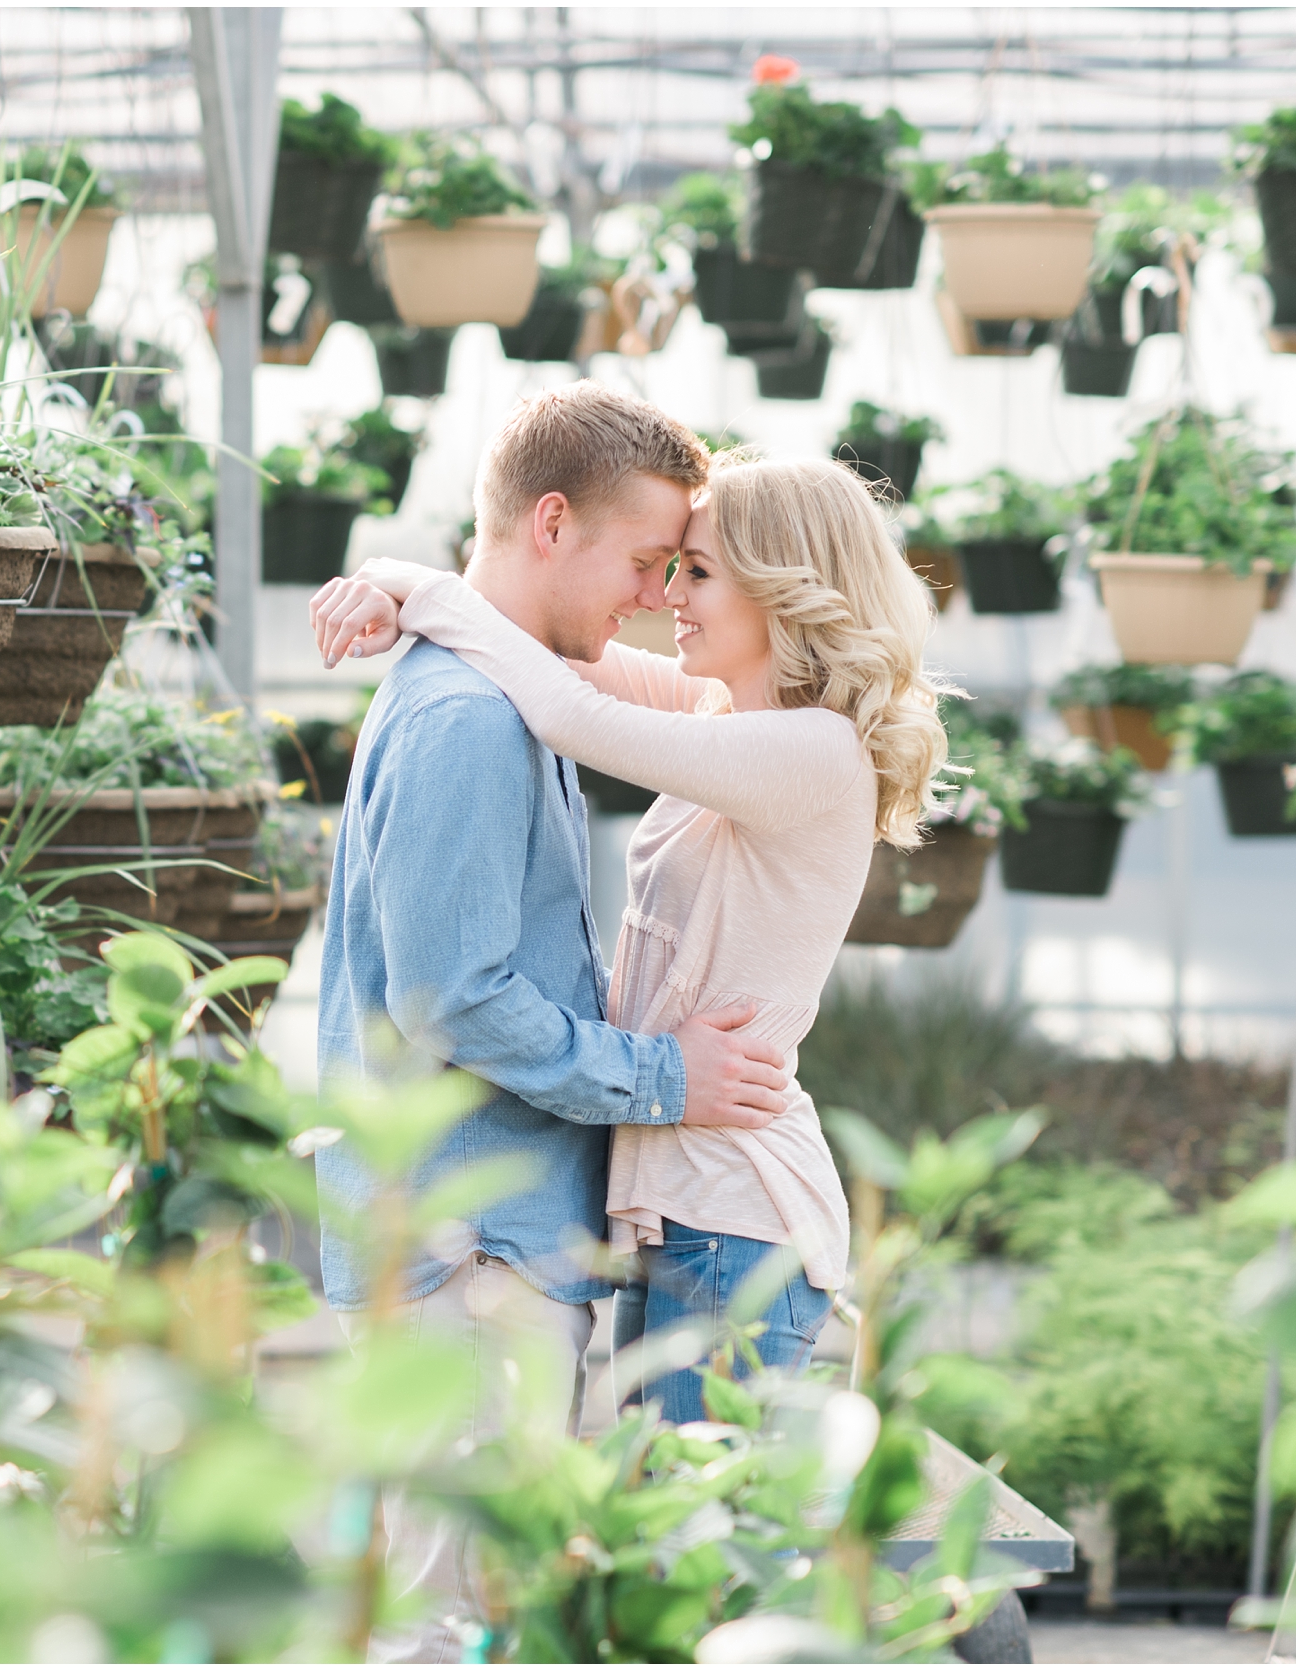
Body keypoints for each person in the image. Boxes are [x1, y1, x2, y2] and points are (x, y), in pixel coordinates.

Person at [313, 441, 952, 1448]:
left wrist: (420, 588)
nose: (668, 598)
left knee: (689, 1551)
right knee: (655, 1540)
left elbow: (566, 707)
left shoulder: (813, 752)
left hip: (736, 1211)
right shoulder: (723, 708)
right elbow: (541, 640)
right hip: (676, 1199)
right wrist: (397, 586)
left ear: (784, 589)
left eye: (696, 572)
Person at [308, 384, 801, 1664]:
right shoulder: (474, 719)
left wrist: (404, 577)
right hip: (473, 1252)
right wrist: (661, 1077)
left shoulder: (505, 694)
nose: (653, 594)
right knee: (451, 1614)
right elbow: (451, 997)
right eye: (645, 561)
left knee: (462, 1603)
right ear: (547, 523)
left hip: (472, 1244)